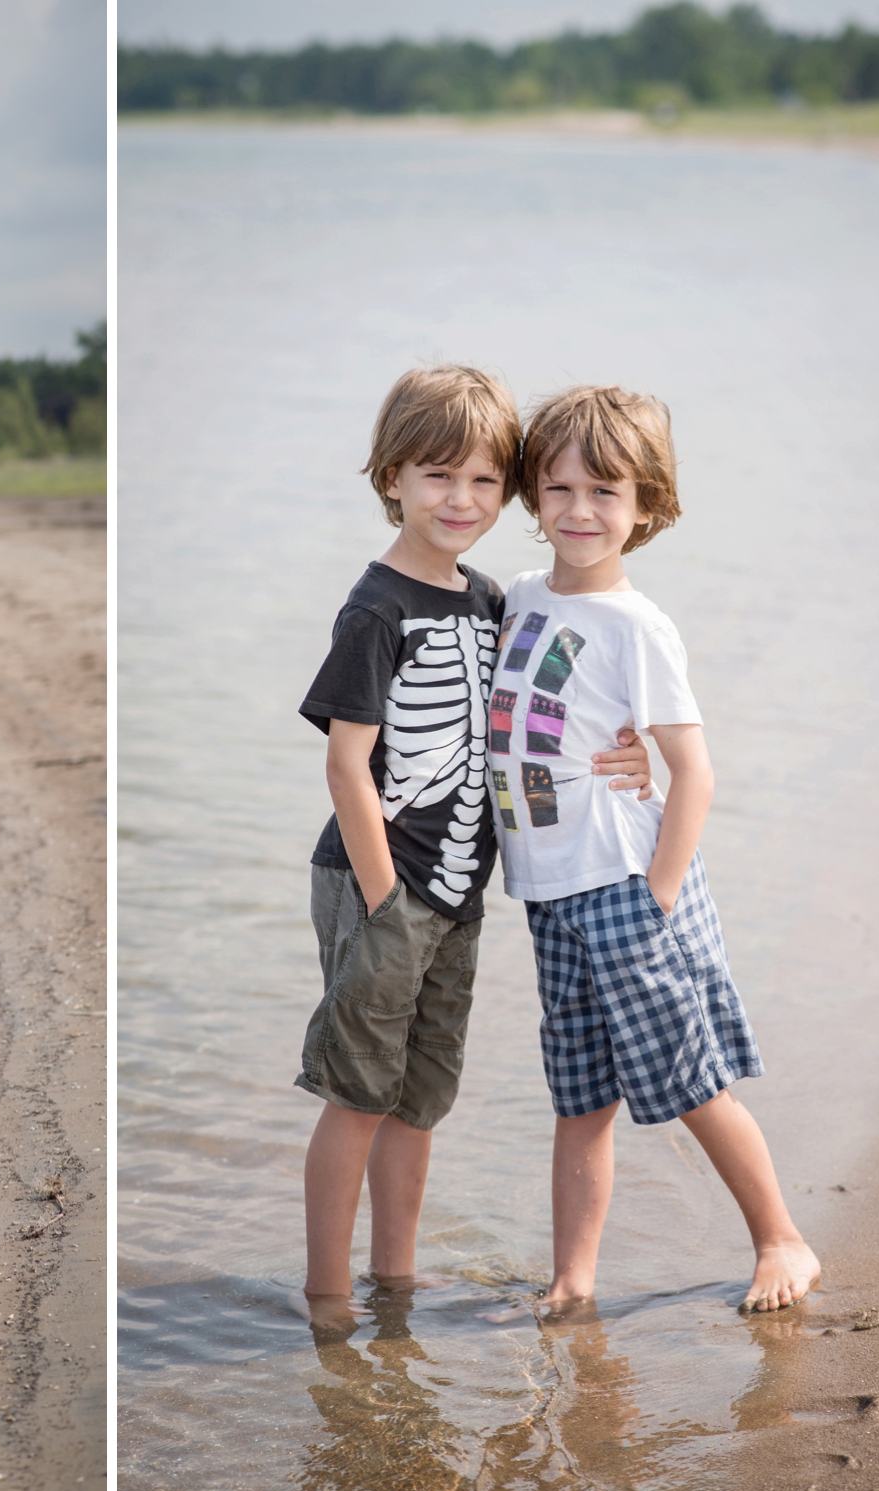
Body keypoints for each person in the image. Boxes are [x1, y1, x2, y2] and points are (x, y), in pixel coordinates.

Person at [295, 365, 651, 1308]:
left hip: (455, 895)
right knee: (358, 1092)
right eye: (436, 476)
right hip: (382, 886)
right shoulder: (376, 610)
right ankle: (328, 1293)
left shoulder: (492, 602)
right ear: (391, 480)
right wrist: (381, 900)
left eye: (486, 481)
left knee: (419, 1101)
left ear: (510, 490)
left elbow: (552, 705)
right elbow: (346, 766)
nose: (461, 499)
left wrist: (633, 756)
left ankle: (395, 1277)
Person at [496, 384, 819, 1316]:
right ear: (532, 498)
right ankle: (574, 1279)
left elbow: (695, 772)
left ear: (646, 508)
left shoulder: (639, 626)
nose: (580, 511)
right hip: (553, 895)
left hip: (627, 887)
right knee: (580, 1099)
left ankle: (781, 1239)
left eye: (606, 492)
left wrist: (660, 896)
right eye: (559, 490)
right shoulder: (518, 599)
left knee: (689, 1079)